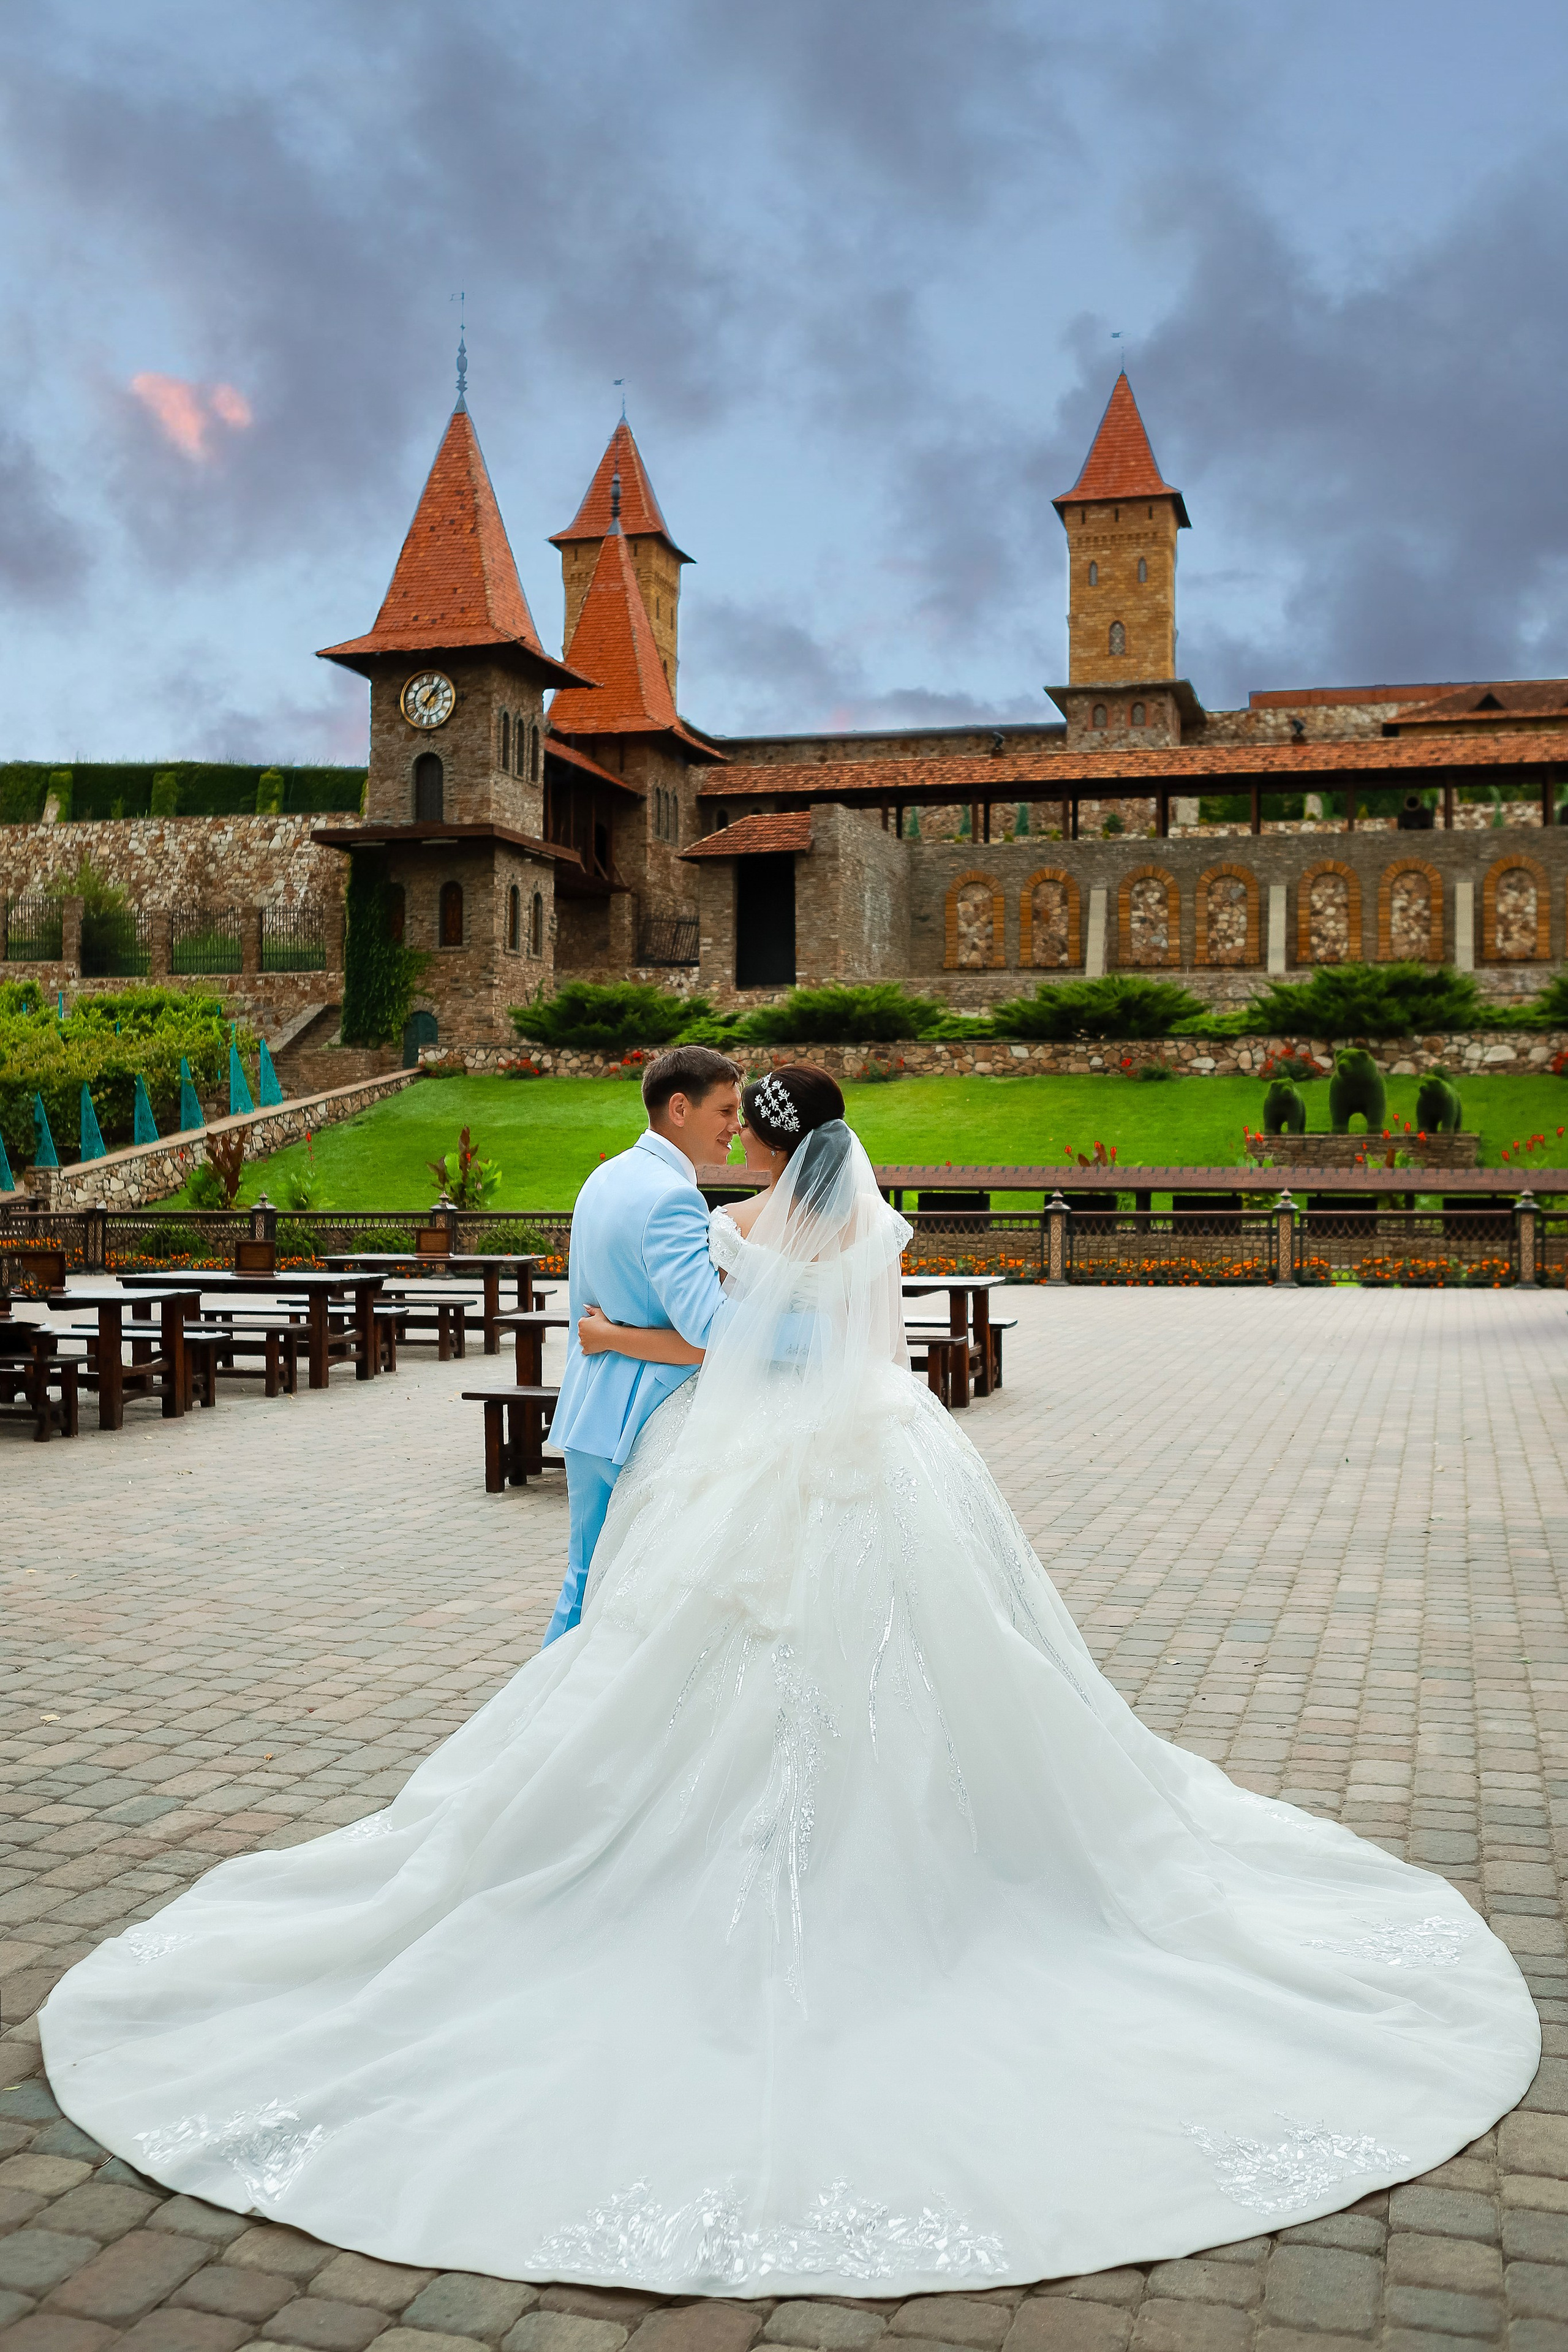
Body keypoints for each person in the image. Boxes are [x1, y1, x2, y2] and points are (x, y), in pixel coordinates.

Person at [38, 1065, 1539, 2297]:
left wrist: (608, 1331)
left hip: (747, 1459)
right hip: (880, 1450)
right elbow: (848, 1342)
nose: (733, 1138)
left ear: (761, 1138)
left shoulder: (736, 1222)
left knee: (684, 1650)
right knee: (938, 1657)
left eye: (743, 1124)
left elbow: (728, 1347)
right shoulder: (867, 1227)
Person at [540, 1044, 741, 1645]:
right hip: (644, 1423)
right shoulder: (672, 1198)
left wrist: (610, 1336)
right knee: (627, 1598)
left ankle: (549, 1700)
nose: (737, 1126)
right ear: (680, 1108)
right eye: (726, 1110)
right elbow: (714, 1330)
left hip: (590, 1408)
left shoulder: (606, 1176)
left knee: (585, 1584)